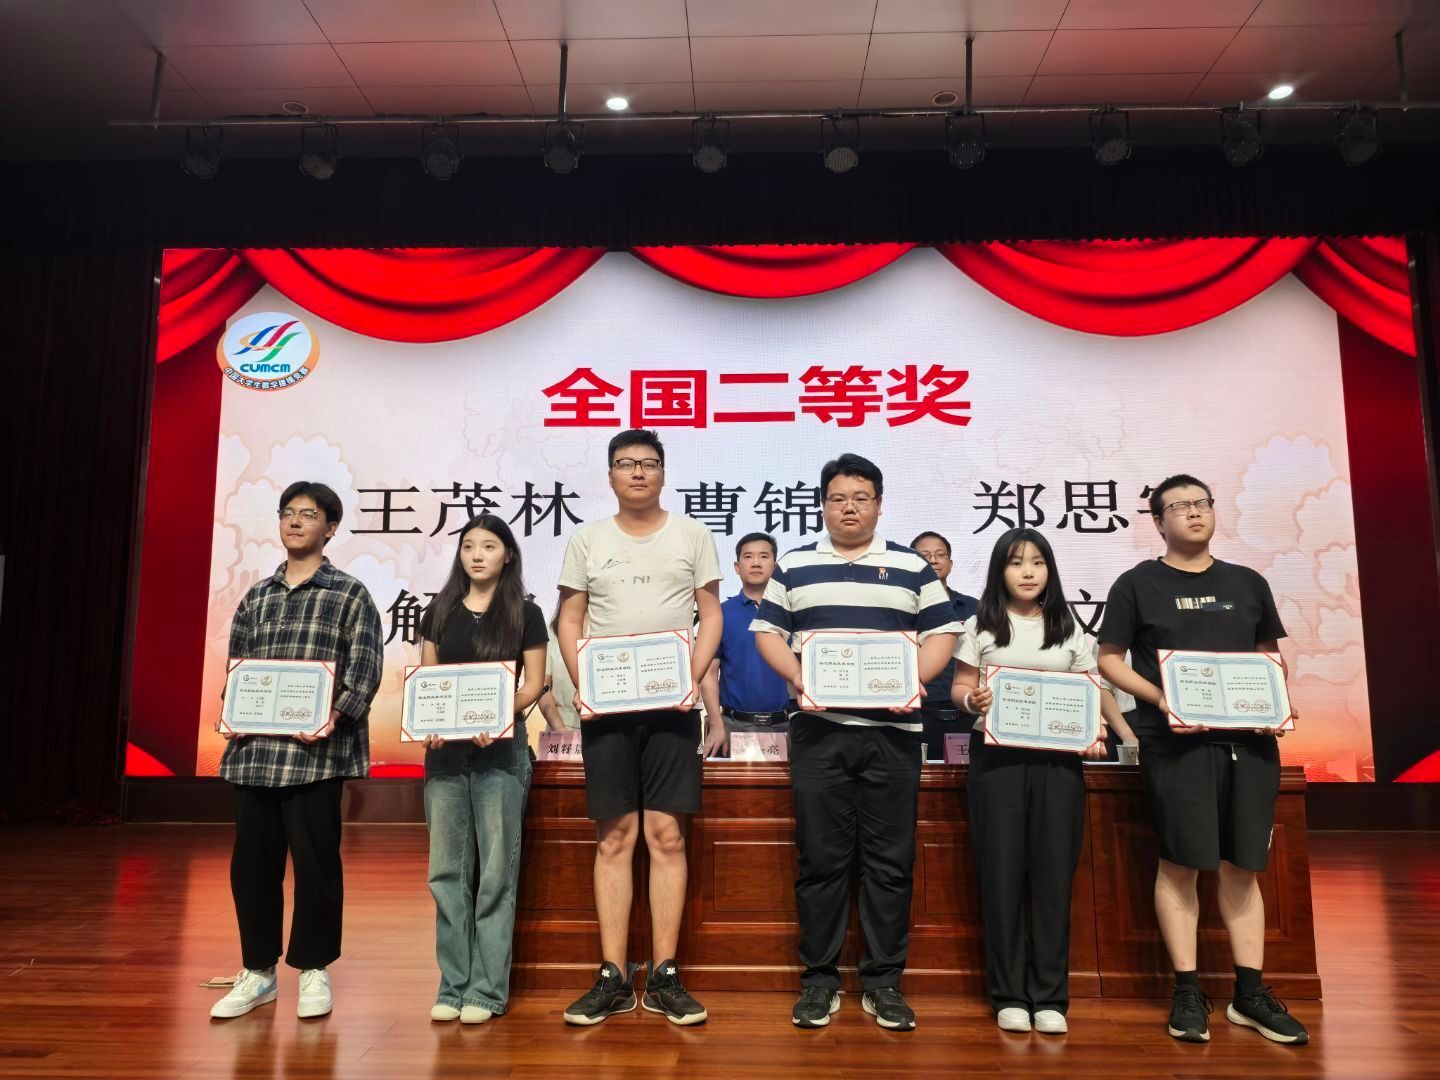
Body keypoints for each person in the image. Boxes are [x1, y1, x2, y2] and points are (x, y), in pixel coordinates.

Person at [1096, 473, 1309, 1046]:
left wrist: (1275, 700)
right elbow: (1109, 660)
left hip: (1250, 745)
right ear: (1158, 521)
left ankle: (1250, 994)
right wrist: (1162, 697)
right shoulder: (1136, 584)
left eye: (1201, 503)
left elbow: (1267, 656)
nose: (1193, 513)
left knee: (1244, 867)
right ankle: (1187, 991)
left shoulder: (1247, 582)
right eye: (1178, 507)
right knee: (1180, 864)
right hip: (1175, 745)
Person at [752, 453, 961, 1032]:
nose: (849, 507)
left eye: (861, 498)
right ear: (823, 504)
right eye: (839, 498)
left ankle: (883, 983)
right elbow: (768, 634)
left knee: (890, 863)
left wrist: (910, 681)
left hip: (894, 737)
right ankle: (819, 981)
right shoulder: (795, 564)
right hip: (820, 735)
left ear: (879, 505)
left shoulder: (911, 566)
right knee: (820, 861)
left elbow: (942, 634)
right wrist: (800, 678)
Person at [555, 429, 723, 1026]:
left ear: (662, 472)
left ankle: (666, 975)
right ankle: (613, 976)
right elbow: (569, 618)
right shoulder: (587, 539)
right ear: (610, 475)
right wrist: (586, 685)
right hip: (608, 711)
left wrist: (691, 678)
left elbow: (711, 614)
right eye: (625, 464)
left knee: (667, 837)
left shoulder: (692, 535)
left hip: (672, 710)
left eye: (648, 463)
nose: (637, 473)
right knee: (615, 839)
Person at [209, 481, 383, 1020]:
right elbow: (240, 669)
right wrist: (233, 711)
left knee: (316, 867)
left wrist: (335, 715)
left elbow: (366, 669)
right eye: (288, 512)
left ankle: (313, 968)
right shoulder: (257, 596)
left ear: (331, 528)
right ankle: (258, 971)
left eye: (308, 514)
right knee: (251, 869)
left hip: (316, 756)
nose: (295, 521)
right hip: (257, 755)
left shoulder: (349, 594)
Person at [951, 527, 1131, 1035]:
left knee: (1053, 876)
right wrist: (971, 701)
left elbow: (1091, 689)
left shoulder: (1067, 626)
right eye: (1015, 563)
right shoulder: (980, 624)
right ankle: (1009, 994)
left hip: (1059, 764)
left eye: (1037, 562)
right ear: (999, 571)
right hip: (997, 761)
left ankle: (1050, 996)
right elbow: (961, 686)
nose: (1027, 572)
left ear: (1050, 569)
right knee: (1001, 874)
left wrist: (1104, 731)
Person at [417, 514, 548, 1024]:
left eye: (489, 546)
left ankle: (487, 990)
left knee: (495, 873)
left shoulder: (525, 613)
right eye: (469, 545)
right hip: (444, 756)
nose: (477, 554)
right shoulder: (439, 611)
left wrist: (497, 716)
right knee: (446, 873)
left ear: (507, 555)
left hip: (501, 753)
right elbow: (429, 680)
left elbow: (533, 683)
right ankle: (452, 985)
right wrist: (428, 720)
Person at [700, 532, 793, 756]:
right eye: (748, 557)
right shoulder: (720, 614)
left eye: (764, 556)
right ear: (737, 567)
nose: (756, 563)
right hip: (734, 726)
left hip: (787, 725)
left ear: (775, 566)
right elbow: (708, 673)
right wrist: (716, 724)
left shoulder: (792, 612)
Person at [910, 530, 979, 759]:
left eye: (940, 554)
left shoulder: (974, 608)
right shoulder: (903, 609)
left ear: (950, 563)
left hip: (966, 712)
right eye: (924, 555)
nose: (933, 560)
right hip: (919, 712)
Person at [538, 608, 580, 732]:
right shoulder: (550, 633)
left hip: (607, 729)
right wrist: (560, 729)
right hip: (561, 728)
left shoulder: (608, 629)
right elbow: (542, 686)